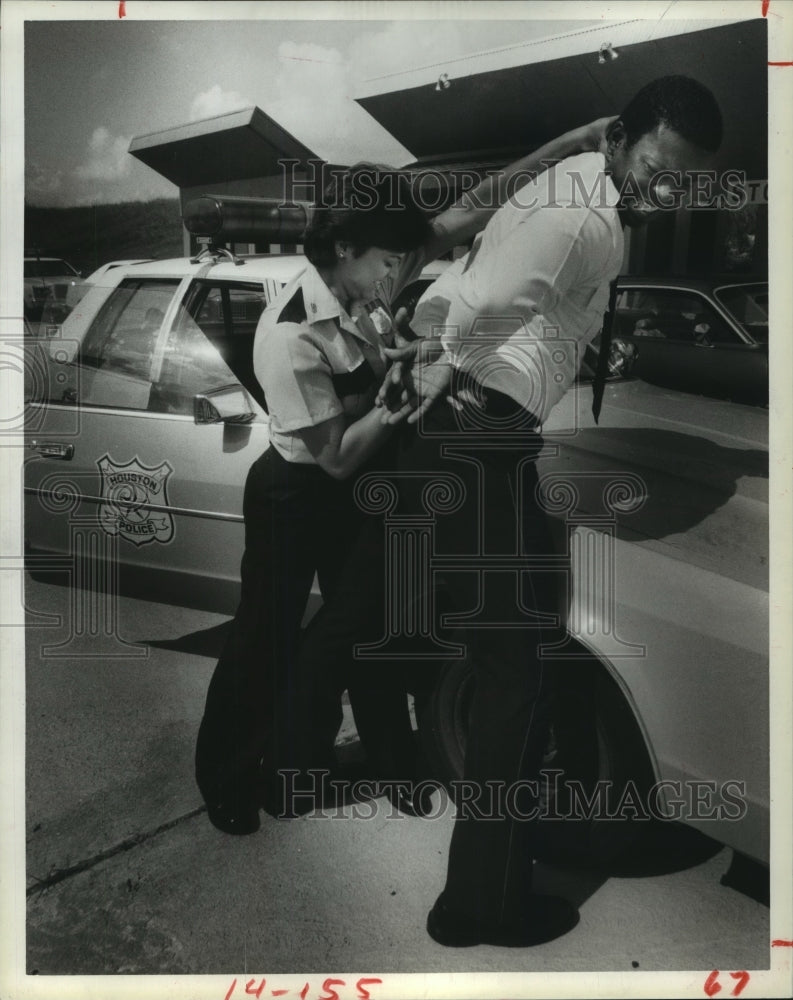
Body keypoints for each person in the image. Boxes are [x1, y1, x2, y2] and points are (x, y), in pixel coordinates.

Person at [293, 76, 724, 946]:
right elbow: (488, 302)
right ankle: (478, 904)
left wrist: (432, 352)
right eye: (652, 166)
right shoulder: (587, 216)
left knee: (370, 610)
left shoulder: (561, 182)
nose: (661, 187)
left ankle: (286, 759)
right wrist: (445, 360)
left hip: (461, 440)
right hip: (480, 441)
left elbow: (465, 258)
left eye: (679, 177)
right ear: (620, 143)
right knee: (512, 676)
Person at [194, 120, 617, 836]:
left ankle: (393, 763)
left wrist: (572, 143)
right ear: (340, 250)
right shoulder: (290, 333)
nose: (400, 274)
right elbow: (333, 456)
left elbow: (483, 198)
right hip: (297, 493)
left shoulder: (378, 253)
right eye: (389, 261)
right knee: (265, 640)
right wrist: (404, 395)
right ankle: (239, 775)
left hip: (363, 479)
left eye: (404, 257)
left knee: (378, 628)